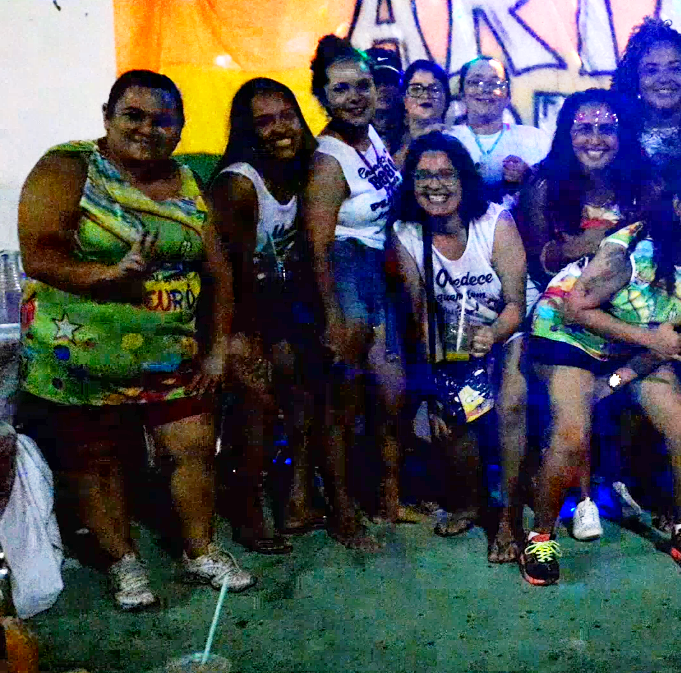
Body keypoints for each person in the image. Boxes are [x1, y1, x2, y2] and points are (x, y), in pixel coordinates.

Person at [16, 70, 254, 610]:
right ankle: (123, 562)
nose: (147, 129)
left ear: (180, 127)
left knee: (193, 448)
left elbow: (219, 275)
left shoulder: (189, 179)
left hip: (171, 351)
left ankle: (201, 550)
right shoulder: (68, 167)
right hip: (79, 353)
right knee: (95, 459)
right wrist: (108, 276)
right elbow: (40, 254)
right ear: (107, 117)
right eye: (133, 116)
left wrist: (217, 347)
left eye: (162, 120)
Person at [518, 160, 681, 586]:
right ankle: (540, 536)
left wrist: (616, 381)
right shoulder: (633, 249)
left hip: (628, 348)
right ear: (678, 204)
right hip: (566, 333)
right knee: (571, 432)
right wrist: (648, 340)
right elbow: (575, 308)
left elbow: (671, 346)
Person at [502, 89, 647, 553]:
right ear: (567, 134)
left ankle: (616, 487)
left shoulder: (644, 185)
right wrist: (591, 243)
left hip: (628, 312)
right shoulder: (545, 185)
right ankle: (561, 508)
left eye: (607, 128)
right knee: (561, 411)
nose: (595, 138)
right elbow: (540, 260)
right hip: (560, 312)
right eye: (583, 129)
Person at [303, 35, 411, 550]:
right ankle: (343, 510)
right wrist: (332, 315)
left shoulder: (371, 140)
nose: (354, 97)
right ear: (322, 96)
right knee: (343, 403)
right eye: (341, 89)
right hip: (344, 270)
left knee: (390, 393)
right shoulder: (328, 158)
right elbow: (317, 245)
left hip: (376, 270)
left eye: (362, 86)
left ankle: (388, 498)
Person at [390, 132, 527, 539]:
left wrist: (492, 334)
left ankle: (510, 517)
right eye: (424, 175)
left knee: (511, 402)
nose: (435, 185)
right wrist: (435, 389)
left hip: (508, 330)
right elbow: (421, 315)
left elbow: (516, 305)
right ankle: (471, 502)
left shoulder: (495, 222)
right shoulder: (406, 233)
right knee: (452, 410)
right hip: (452, 338)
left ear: (464, 179)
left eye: (446, 174)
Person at [208, 77, 323, 554]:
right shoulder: (239, 184)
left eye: (287, 116)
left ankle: (296, 499)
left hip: (279, 307)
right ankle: (248, 508)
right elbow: (226, 277)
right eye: (265, 121)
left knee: (308, 384)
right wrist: (244, 341)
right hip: (232, 311)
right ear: (247, 131)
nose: (280, 128)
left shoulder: (301, 172)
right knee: (255, 395)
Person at [446, 56, 550, 206]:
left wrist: (529, 176)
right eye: (475, 82)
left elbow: (555, 193)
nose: (485, 89)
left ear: (508, 96)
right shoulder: (447, 140)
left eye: (495, 83)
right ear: (462, 94)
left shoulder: (535, 140)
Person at [610, 18, 681, 167]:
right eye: (651, 70)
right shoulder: (617, 131)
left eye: (675, 68)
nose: (664, 79)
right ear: (635, 78)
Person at [389, 59, 450, 167]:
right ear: (404, 99)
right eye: (416, 89)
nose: (425, 95)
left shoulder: (459, 140)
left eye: (434, 89)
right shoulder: (389, 145)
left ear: (446, 98)